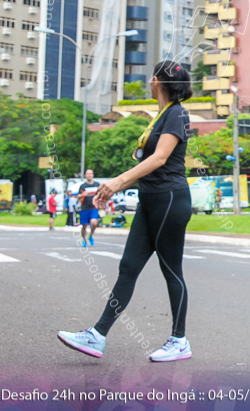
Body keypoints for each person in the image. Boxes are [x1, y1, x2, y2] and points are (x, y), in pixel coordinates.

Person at [57, 60, 194, 363]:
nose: (149, 80)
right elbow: (147, 162)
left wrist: (117, 182)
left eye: (151, 76)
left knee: (171, 270)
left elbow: (159, 159)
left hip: (170, 199)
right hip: (150, 199)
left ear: (157, 80)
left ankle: (179, 340)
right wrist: (117, 185)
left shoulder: (177, 114)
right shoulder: (161, 115)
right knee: (128, 267)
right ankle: (98, 335)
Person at [78, 169, 100, 246]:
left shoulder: (97, 184)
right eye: (88, 174)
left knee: (94, 223)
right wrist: (82, 195)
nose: (89, 175)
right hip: (84, 208)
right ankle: (84, 239)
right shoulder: (83, 186)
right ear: (85, 175)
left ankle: (90, 235)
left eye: (91, 173)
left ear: (93, 175)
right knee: (84, 226)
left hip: (94, 207)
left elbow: (100, 194)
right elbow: (78, 196)